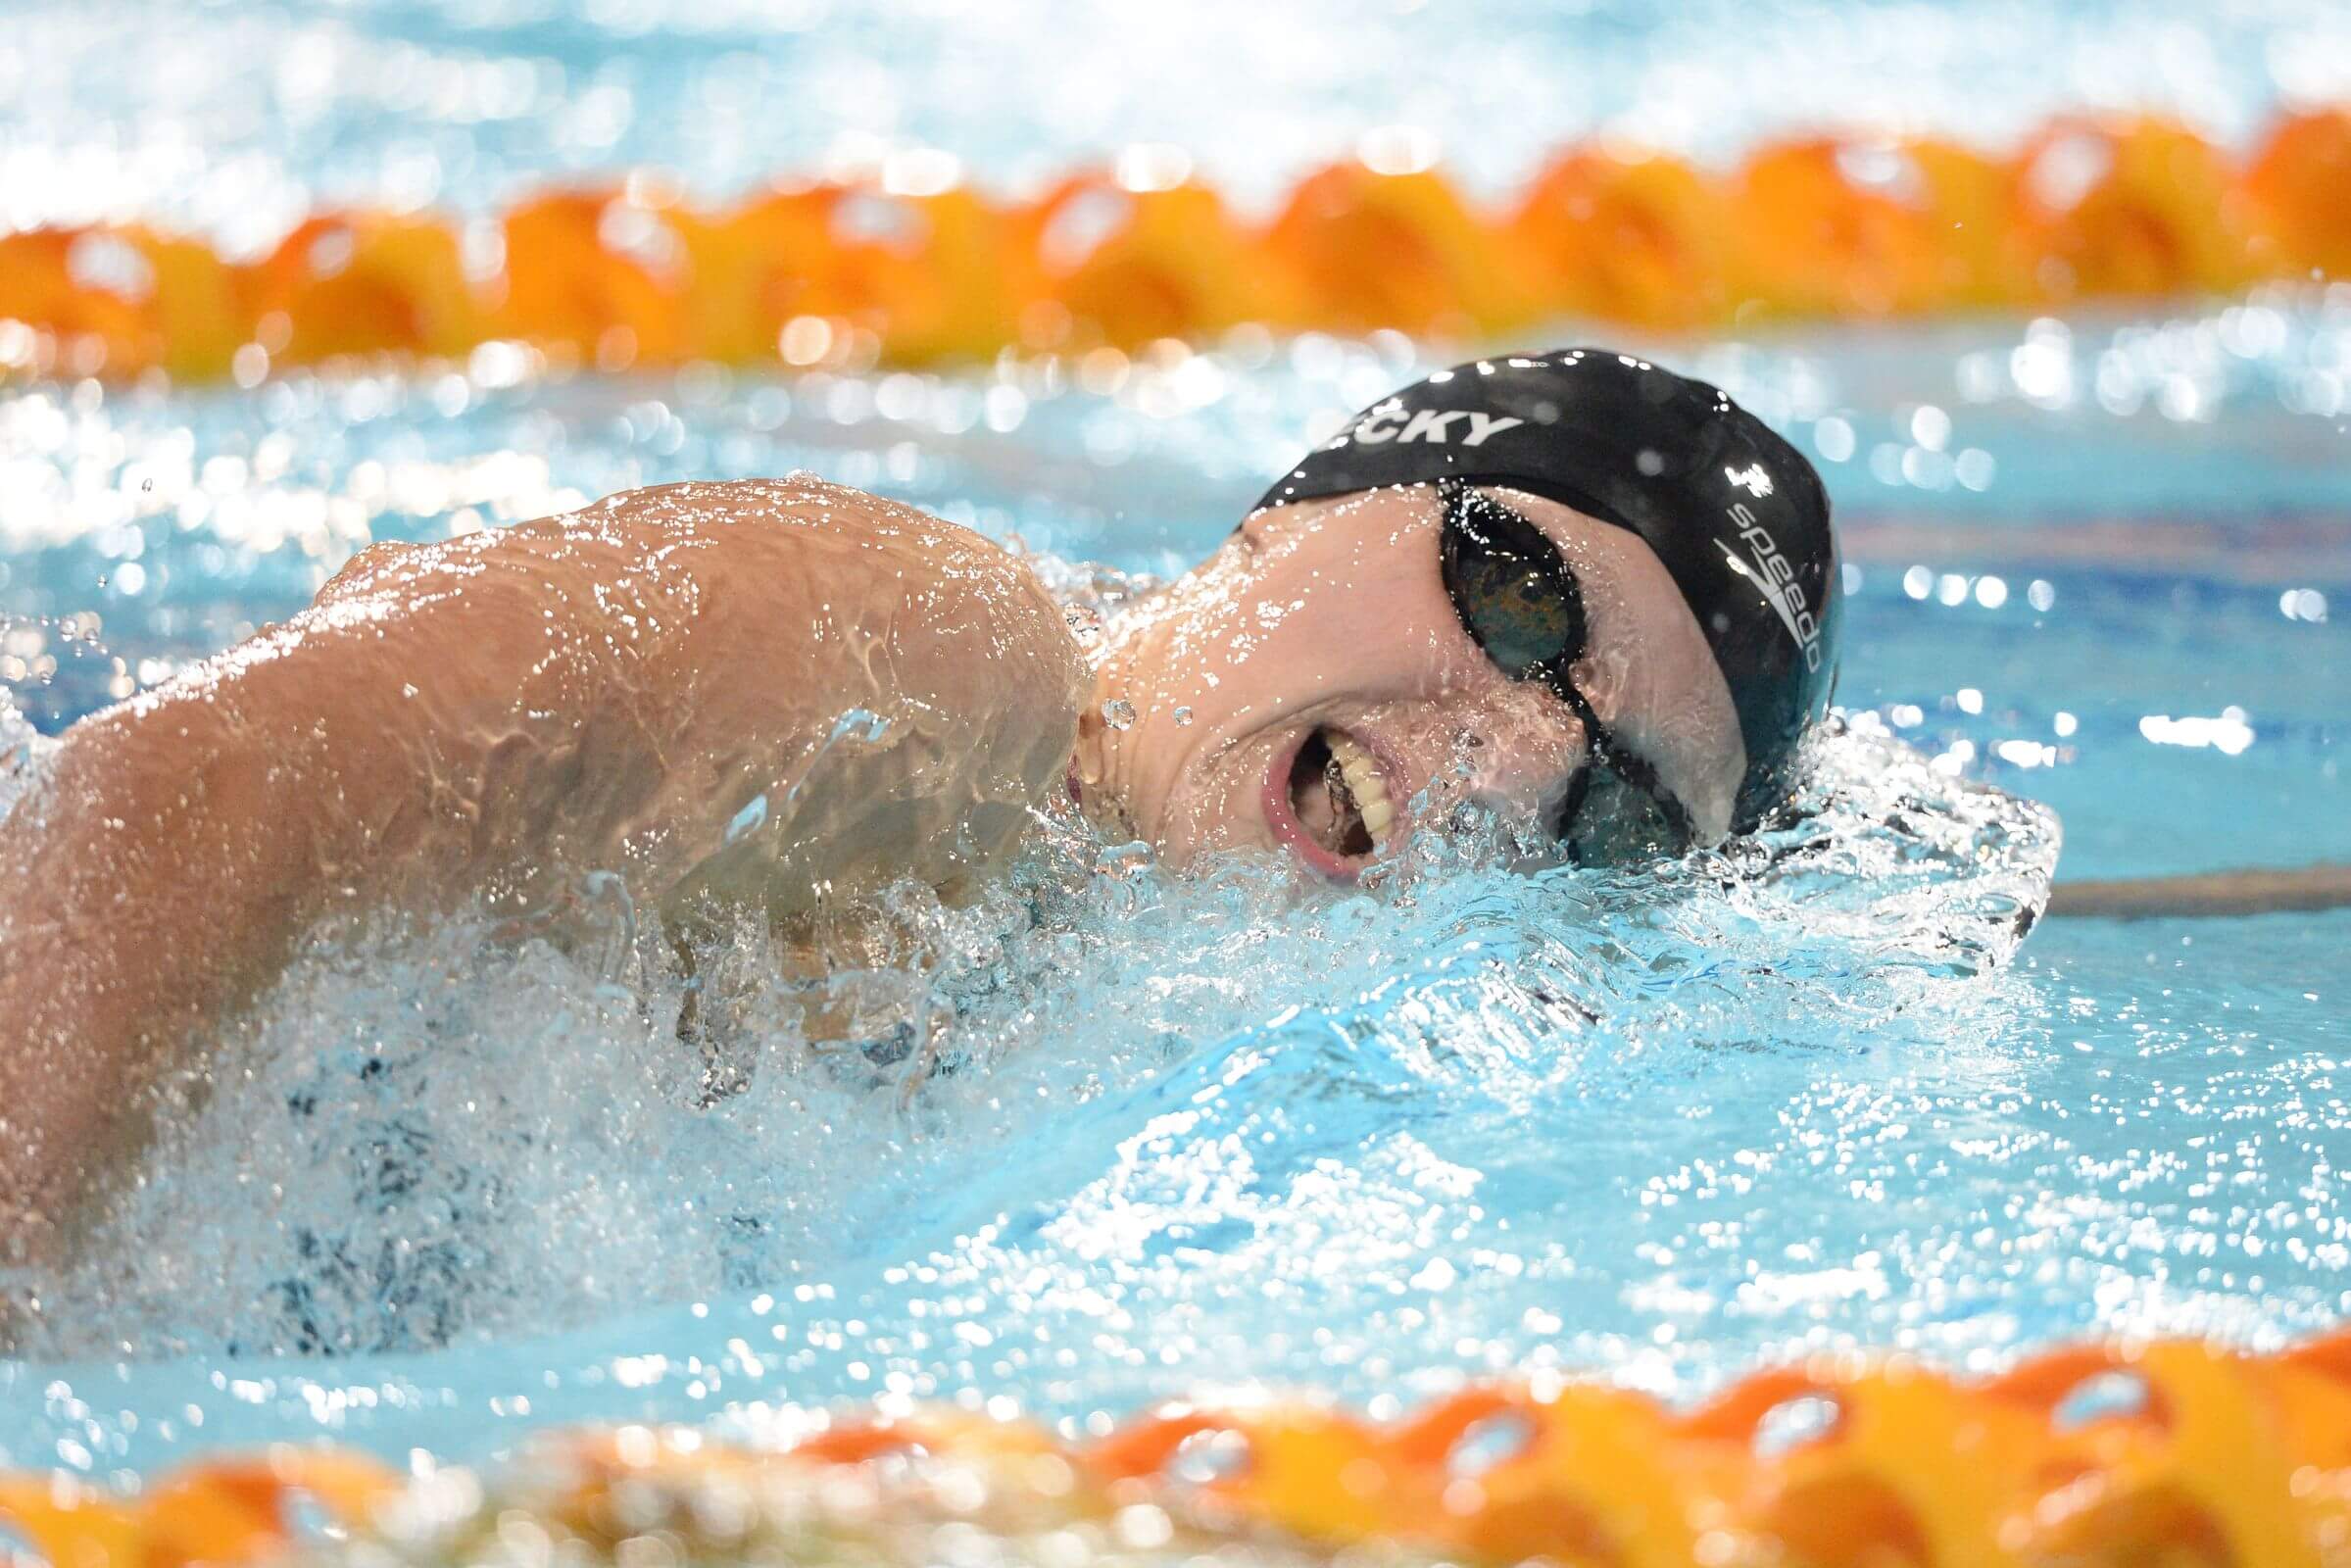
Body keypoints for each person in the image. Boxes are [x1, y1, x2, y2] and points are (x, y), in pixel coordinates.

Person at [0, 348, 1837, 1264]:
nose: (1517, 765)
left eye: (1612, 817)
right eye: (1526, 600)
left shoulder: (1096, 980)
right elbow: (177, 805)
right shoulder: (933, 661)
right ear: (1300, 509)